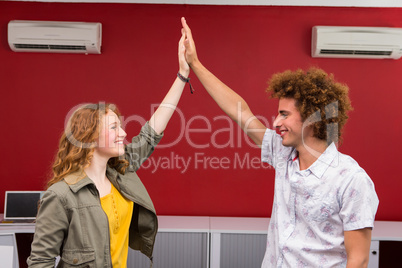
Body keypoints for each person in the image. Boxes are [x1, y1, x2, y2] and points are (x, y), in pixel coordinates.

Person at [180, 17, 379, 268]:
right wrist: (195, 63)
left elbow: (359, 261)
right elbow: (241, 113)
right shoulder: (284, 155)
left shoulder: (351, 179)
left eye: (284, 114)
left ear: (311, 117)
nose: (275, 122)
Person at [27, 29, 190, 268]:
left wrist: (182, 75)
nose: (123, 133)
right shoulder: (61, 196)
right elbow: (40, 262)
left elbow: (152, 131)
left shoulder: (120, 173)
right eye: (114, 127)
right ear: (89, 138)